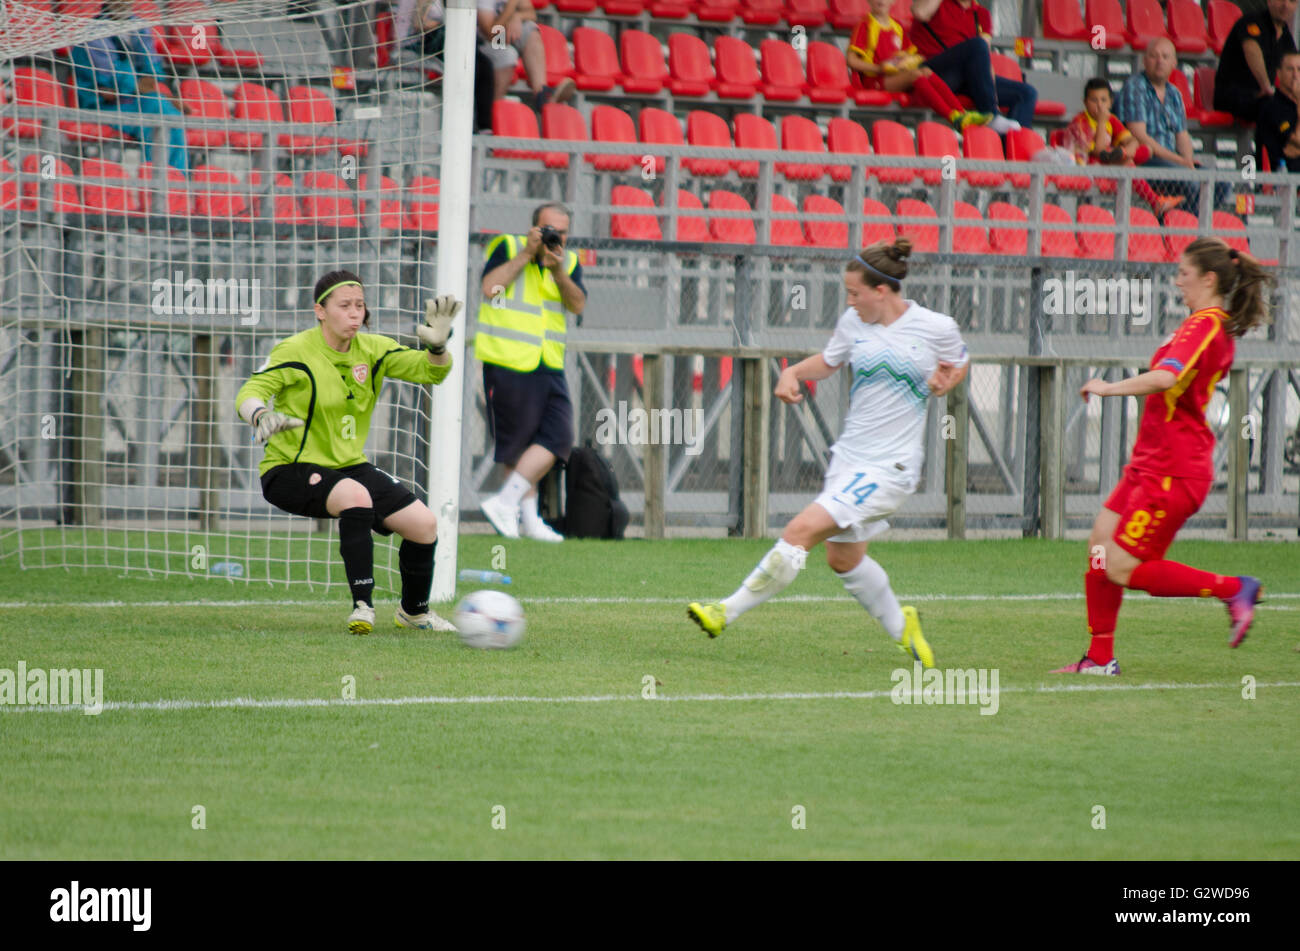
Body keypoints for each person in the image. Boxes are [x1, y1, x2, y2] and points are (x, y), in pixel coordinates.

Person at [687, 239, 969, 667]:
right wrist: (794, 371)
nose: (850, 301)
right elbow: (832, 360)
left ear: (882, 291)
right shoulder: (854, 323)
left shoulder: (935, 326)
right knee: (843, 558)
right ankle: (902, 628)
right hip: (850, 459)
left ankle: (724, 611)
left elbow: (958, 360)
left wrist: (948, 381)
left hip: (890, 467)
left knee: (801, 529)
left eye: (856, 293)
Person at [1056, 238, 1269, 675]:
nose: (1177, 281)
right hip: (1150, 463)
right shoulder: (1199, 324)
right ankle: (1099, 658)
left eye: (1183, 274)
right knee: (1099, 546)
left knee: (1120, 566)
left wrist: (1108, 388)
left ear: (1208, 279)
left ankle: (1233, 588)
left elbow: (1166, 376)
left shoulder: (1205, 324)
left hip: (1174, 469)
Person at [235, 271, 462, 635]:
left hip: (349, 467)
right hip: (289, 468)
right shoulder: (295, 350)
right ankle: (363, 606)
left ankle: (414, 612)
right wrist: (259, 415)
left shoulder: (373, 349)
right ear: (320, 311)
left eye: (359, 305)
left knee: (424, 524)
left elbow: (429, 373)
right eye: (344, 306)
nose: (355, 313)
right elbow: (250, 389)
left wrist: (437, 348)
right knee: (356, 497)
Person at [476, 202, 586, 543]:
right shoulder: (508, 247)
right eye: (549, 229)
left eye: (562, 232)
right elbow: (489, 289)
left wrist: (559, 272)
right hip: (507, 358)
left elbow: (578, 304)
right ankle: (529, 519)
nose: (556, 236)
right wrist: (527, 254)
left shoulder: (568, 261)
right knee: (518, 444)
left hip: (548, 361)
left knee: (558, 437)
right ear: (533, 228)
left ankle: (506, 503)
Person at [69, 0, 189, 173]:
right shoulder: (92, 34)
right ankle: (157, 181)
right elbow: (112, 83)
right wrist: (137, 86)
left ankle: (177, 179)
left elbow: (153, 71)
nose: (123, 4)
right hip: (102, 107)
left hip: (134, 101)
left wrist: (146, 86)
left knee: (169, 114)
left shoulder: (138, 26)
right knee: (156, 115)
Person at [1116, 38, 1230, 216]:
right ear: (1144, 61)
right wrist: (1181, 163)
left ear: (1174, 63)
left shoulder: (1174, 93)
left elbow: (1182, 136)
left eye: (1165, 56)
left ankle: (1186, 224)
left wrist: (1188, 162)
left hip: (1172, 161)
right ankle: (1179, 230)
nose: (1159, 61)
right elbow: (1139, 136)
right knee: (1190, 182)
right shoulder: (1135, 87)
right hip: (1144, 160)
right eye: (1153, 56)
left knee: (1222, 184)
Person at [847, 0, 992, 132]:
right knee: (917, 74)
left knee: (926, 71)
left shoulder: (897, 26)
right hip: (874, 81)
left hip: (894, 76)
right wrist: (878, 68)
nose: (881, 1)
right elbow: (851, 60)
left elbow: (910, 53)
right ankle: (953, 117)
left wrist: (905, 60)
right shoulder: (865, 25)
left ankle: (960, 113)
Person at [1064, 78, 1184, 217]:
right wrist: (1102, 122)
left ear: (1110, 102)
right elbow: (1099, 151)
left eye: (1103, 100)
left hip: (1111, 161)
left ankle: (1122, 156)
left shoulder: (1112, 119)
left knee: (1146, 150)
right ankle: (1155, 201)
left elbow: (1131, 139)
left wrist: (1129, 149)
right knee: (1126, 162)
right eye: (1093, 100)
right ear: (1085, 102)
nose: (1099, 105)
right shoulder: (1080, 122)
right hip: (1088, 164)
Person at [909, 0, 1034, 133]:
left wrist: (992, 93)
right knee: (977, 45)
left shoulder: (981, 14)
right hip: (932, 74)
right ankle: (990, 116)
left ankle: (1013, 149)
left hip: (966, 77)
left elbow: (984, 58)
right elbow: (920, 12)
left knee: (1026, 93)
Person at [405, 0, 497, 132]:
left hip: (452, 36)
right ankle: (464, 123)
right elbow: (419, 23)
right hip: (427, 39)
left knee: (484, 65)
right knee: (467, 66)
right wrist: (445, 23)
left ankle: (484, 126)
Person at [477, 0, 576, 111]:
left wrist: (517, 16)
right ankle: (490, 114)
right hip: (484, 43)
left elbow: (531, 14)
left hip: (505, 35)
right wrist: (511, 8)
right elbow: (490, 32)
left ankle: (541, 93)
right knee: (508, 54)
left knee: (530, 28)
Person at [1213, 0, 1297, 125]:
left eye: (1292, 1)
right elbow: (1252, 50)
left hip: (1263, 99)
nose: (1286, 5)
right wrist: (1267, 87)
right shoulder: (1252, 21)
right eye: (1280, 0)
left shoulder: (1286, 37)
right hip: (1234, 96)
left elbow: (1294, 67)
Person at [1255, 50, 1300, 172]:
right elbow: (1297, 141)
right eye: (1290, 69)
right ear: (1279, 74)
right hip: (1279, 177)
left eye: (1299, 69)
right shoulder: (1272, 106)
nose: (1295, 75)